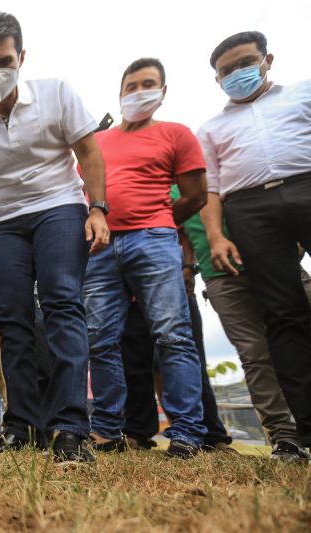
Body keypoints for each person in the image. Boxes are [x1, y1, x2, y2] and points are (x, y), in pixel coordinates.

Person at [0, 13, 109, 463]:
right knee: (12, 320)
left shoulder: (57, 94)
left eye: (4, 61)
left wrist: (97, 208)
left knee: (62, 301)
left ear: (22, 57)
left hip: (60, 208)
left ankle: (70, 427)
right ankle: (21, 425)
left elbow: (88, 151)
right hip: (5, 221)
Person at [84, 57, 207, 458]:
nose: (139, 92)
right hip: (100, 247)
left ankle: (187, 433)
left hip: (154, 240)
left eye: (148, 84)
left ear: (163, 91)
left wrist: (157, 222)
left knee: (172, 335)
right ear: (120, 94)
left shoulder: (177, 134)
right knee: (100, 340)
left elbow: (195, 195)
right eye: (132, 86)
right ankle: (106, 431)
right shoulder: (97, 142)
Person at [197, 31, 311, 453]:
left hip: (305, 187)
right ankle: (302, 432)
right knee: (285, 314)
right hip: (248, 210)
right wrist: (215, 235)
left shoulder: (302, 95)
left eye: (245, 63)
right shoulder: (211, 129)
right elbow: (210, 188)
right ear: (217, 79)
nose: (237, 74)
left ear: (267, 60)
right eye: (227, 70)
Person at [179, 197, 310, 462]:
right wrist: (189, 268)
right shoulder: (177, 189)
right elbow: (183, 233)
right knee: (255, 354)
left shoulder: (235, 165)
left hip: (278, 265)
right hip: (220, 277)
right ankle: (285, 437)